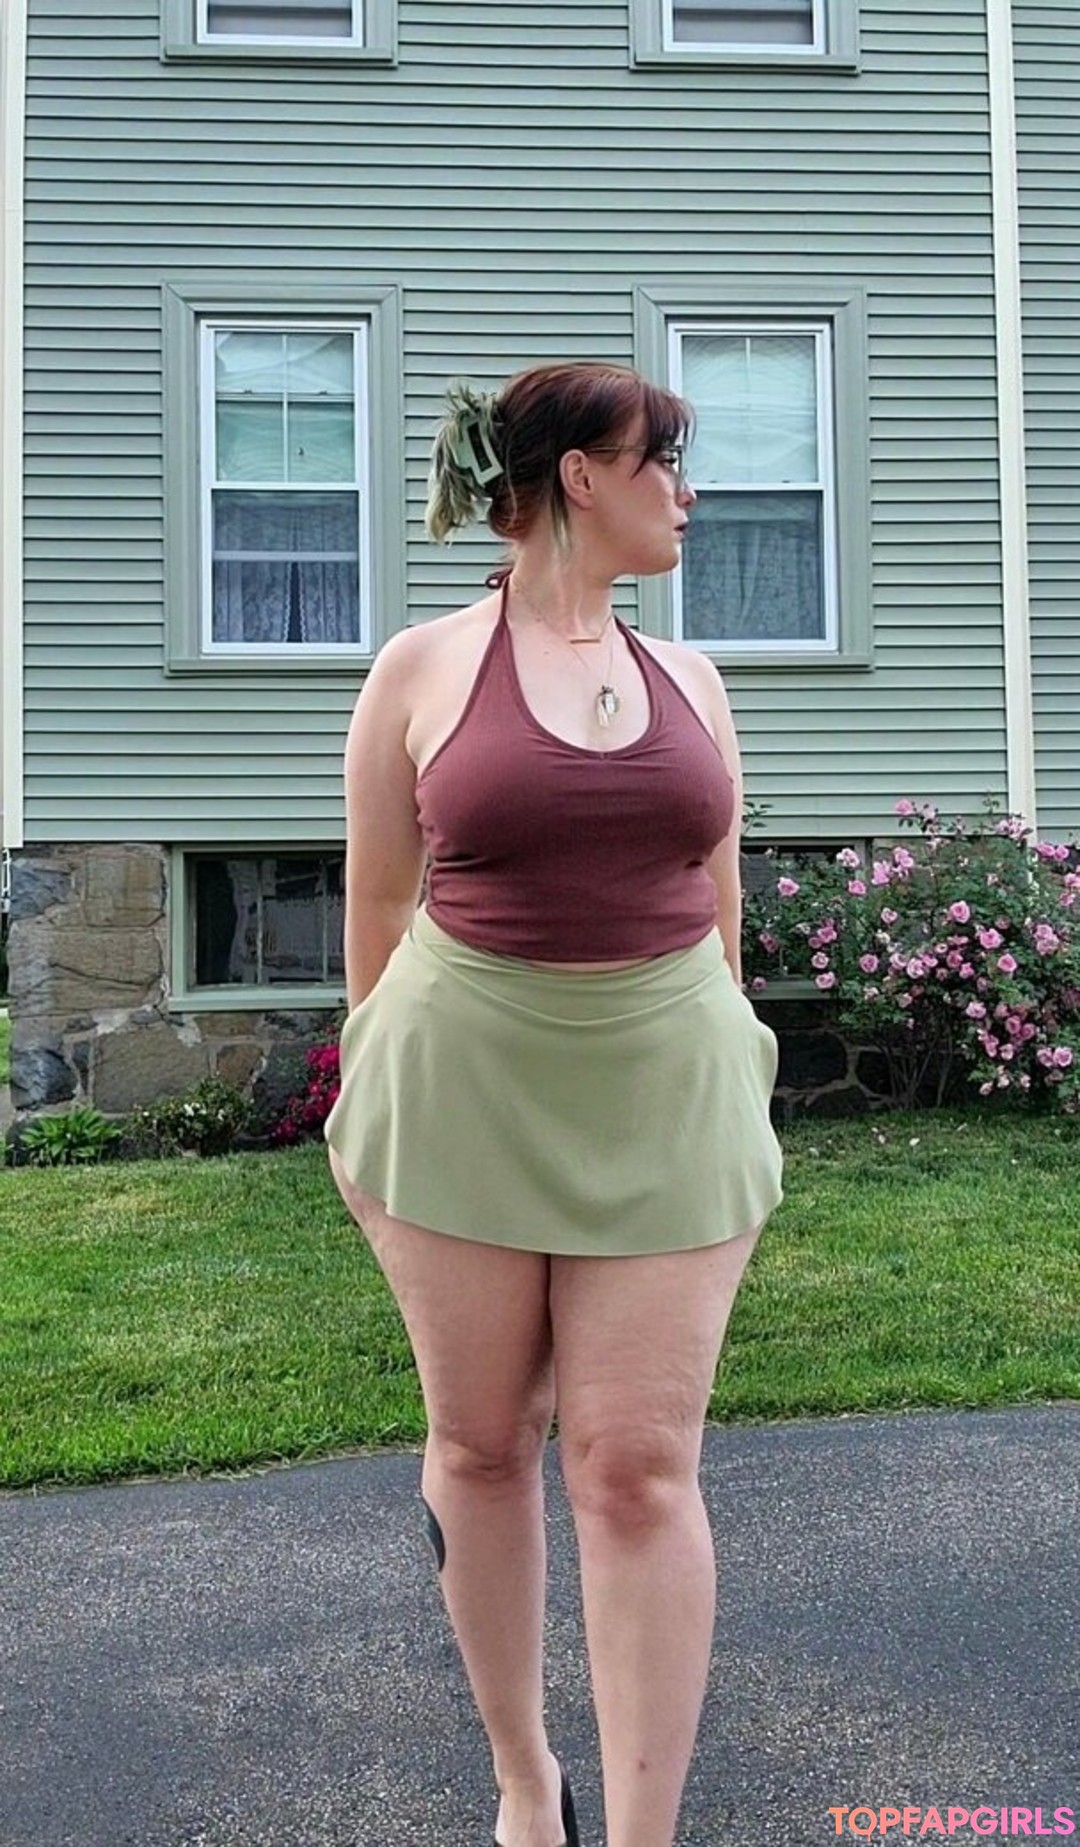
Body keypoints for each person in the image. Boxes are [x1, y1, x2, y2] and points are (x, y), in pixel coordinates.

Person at [324, 360, 783, 1847]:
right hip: (461, 1089)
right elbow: (377, 909)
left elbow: (718, 902)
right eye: (665, 463)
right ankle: (527, 1783)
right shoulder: (419, 671)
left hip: (665, 1089)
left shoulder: (693, 683)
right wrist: (371, 1096)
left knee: (637, 1470)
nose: (688, 496)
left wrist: (738, 1049)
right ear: (580, 477)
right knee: (478, 1444)